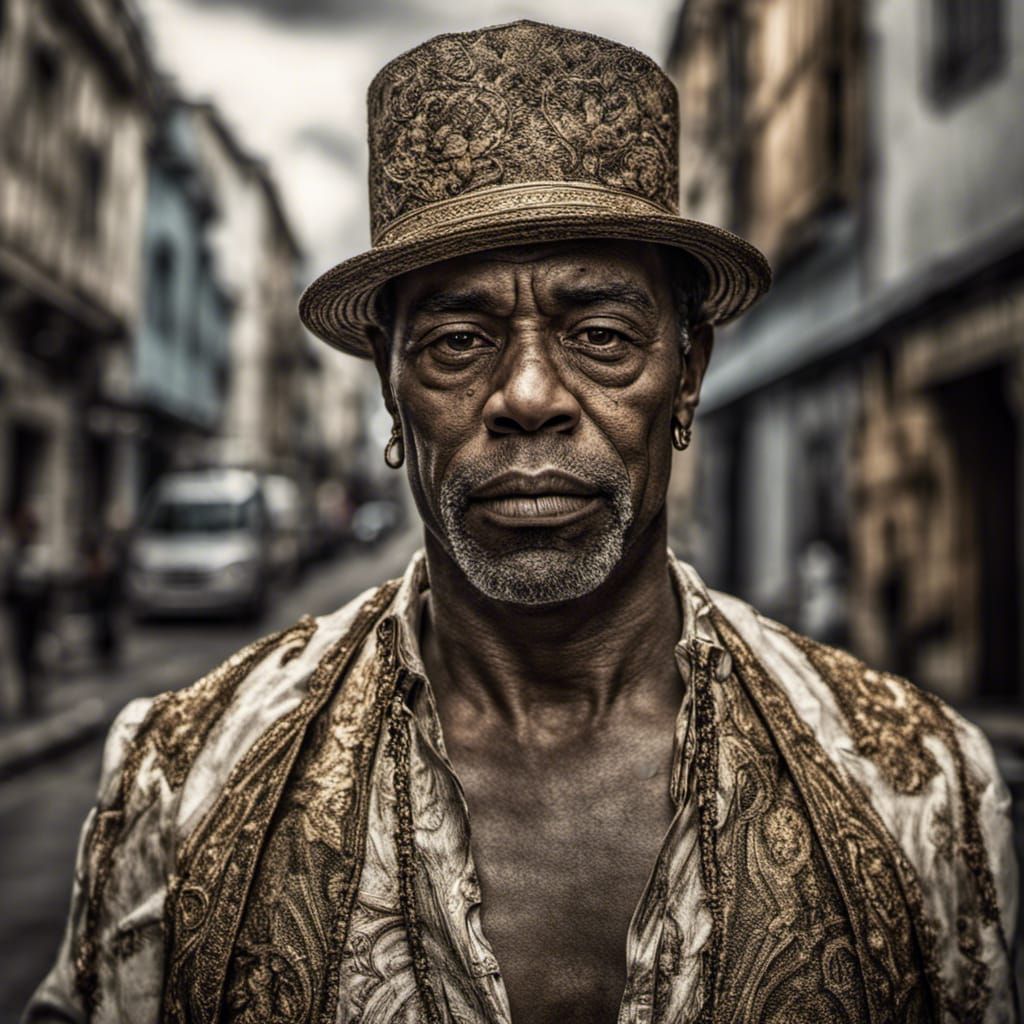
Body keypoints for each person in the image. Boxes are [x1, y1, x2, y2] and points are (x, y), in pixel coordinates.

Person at [26, 21, 1017, 1024]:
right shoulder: (182, 777)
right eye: (459, 341)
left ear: (689, 371)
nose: (529, 394)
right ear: (389, 382)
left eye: (600, 335)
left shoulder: (917, 791)